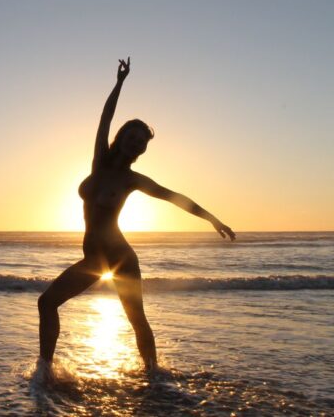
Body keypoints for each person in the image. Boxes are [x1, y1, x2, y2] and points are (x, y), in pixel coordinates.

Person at [37, 57, 235, 371]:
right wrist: (119, 83)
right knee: (47, 303)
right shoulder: (99, 162)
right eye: (132, 138)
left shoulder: (133, 180)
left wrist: (213, 219)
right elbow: (105, 118)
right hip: (93, 259)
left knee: (136, 319)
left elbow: (174, 197)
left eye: (141, 143)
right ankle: (45, 371)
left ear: (142, 150)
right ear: (121, 139)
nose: (136, 144)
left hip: (120, 258)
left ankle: (154, 374)